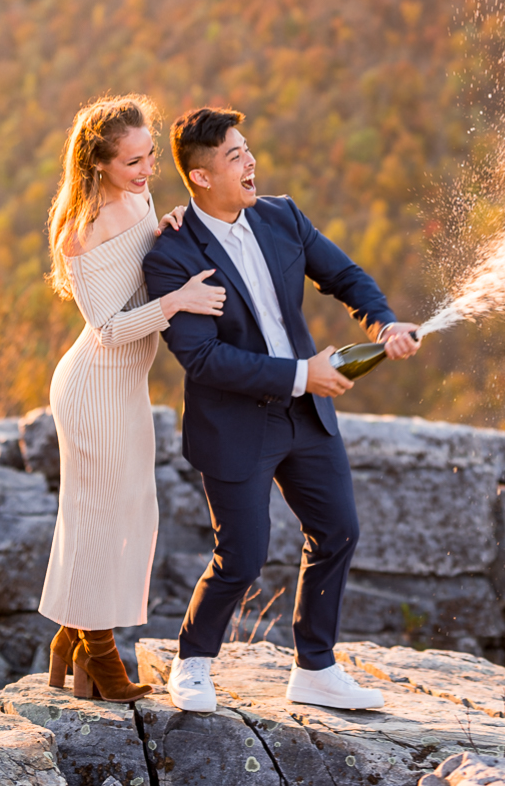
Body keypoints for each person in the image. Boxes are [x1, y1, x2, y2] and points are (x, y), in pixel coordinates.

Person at [143, 106, 420, 713]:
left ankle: (315, 668)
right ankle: (191, 662)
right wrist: (303, 374)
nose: (251, 162)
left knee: (338, 529)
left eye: (247, 149)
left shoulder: (282, 215)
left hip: (306, 417)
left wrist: (385, 321)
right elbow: (203, 359)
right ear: (200, 177)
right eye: (235, 156)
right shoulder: (170, 255)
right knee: (241, 557)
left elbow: (344, 276)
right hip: (236, 423)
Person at [38, 93, 225, 701]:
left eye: (149, 158)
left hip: (125, 386)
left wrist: (164, 227)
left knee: (133, 515)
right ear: (98, 164)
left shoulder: (141, 198)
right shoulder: (81, 230)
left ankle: (72, 636)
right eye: (132, 164)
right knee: (98, 520)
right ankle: (99, 653)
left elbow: (142, 257)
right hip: (93, 386)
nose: (148, 172)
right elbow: (109, 326)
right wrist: (177, 301)